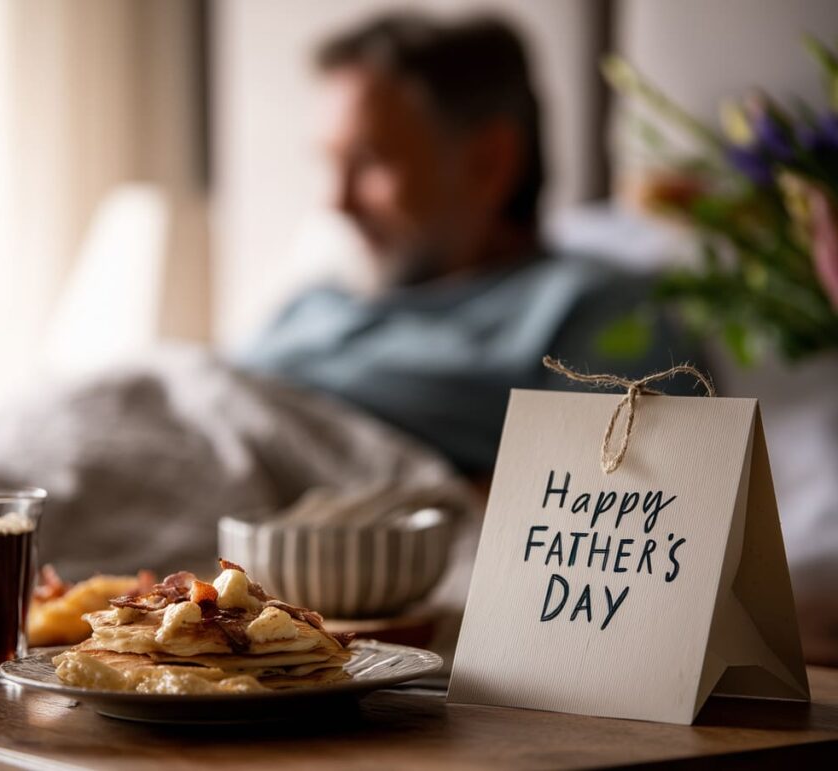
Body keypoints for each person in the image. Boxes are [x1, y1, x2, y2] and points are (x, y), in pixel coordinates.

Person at [239, 12, 702, 478]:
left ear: (489, 161)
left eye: (369, 162)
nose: (335, 203)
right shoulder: (312, 302)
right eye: (331, 164)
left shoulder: (592, 308)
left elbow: (626, 509)